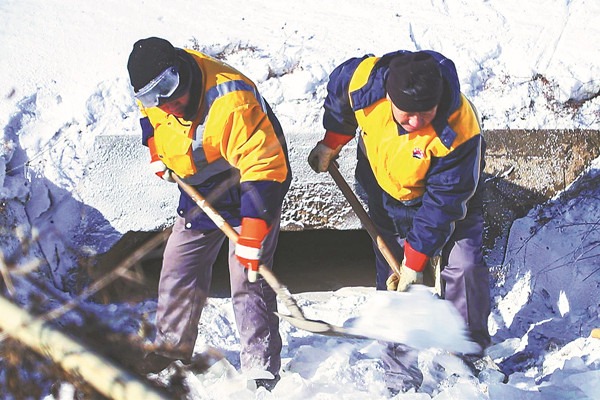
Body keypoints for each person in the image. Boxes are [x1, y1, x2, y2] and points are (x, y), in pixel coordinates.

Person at [308, 50, 490, 393]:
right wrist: (332, 142)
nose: (417, 123)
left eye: (426, 114)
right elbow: (340, 98)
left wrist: (417, 259)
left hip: (449, 198)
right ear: (389, 97)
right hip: (385, 191)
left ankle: (467, 358)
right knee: (394, 285)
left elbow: (444, 202)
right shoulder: (363, 81)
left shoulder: (459, 129)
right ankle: (399, 375)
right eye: (407, 115)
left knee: (462, 268)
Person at [126, 37, 291, 389]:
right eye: (154, 98)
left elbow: (263, 167)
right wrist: (156, 148)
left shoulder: (231, 102)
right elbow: (149, 116)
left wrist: (253, 229)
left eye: (169, 92)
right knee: (178, 264)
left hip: (251, 182)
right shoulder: (158, 92)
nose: (166, 105)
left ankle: (260, 364)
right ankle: (172, 347)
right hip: (200, 188)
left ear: (180, 72)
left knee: (248, 274)